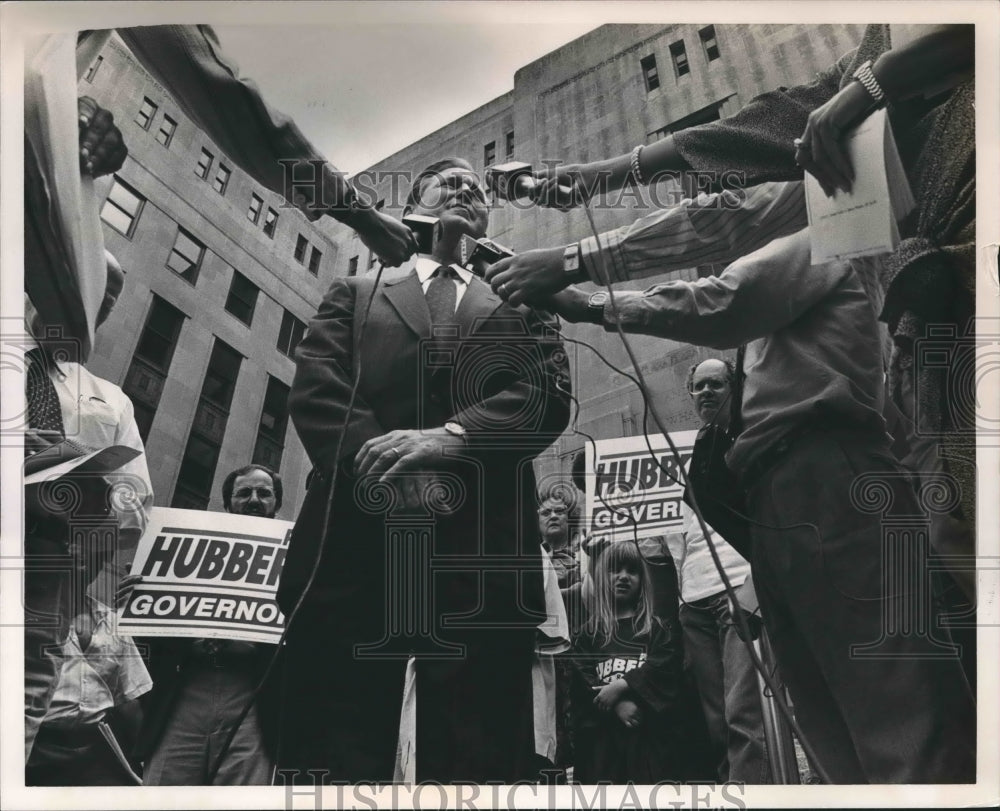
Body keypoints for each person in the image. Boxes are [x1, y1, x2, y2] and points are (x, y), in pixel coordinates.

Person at [497, 225, 976, 783]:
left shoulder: (827, 231)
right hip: (784, 502)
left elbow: (723, 298)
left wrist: (587, 298)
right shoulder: (768, 356)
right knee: (829, 717)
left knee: (890, 707)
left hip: (826, 479)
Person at [277, 156, 571, 784]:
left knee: (479, 750)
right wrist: (392, 469)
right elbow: (317, 391)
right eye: (448, 182)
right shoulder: (357, 292)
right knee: (341, 743)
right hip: (360, 539)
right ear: (413, 203)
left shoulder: (523, 296)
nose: (466, 188)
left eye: (475, 187)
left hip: (483, 547)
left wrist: (453, 437)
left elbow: (547, 394)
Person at [23, 251, 153, 761]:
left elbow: (133, 503)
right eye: (88, 289)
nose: (95, 308)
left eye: (107, 301)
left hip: (52, 578)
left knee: (22, 708)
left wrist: (86, 589)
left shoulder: (112, 400)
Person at [137, 464, 283, 785]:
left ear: (276, 504)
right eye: (244, 493)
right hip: (185, 688)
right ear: (228, 503)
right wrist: (134, 601)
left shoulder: (292, 557)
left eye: (264, 493)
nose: (254, 499)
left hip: (251, 695)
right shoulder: (184, 546)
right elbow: (147, 640)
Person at [676, 359, 769, 784]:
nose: (707, 392)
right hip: (694, 601)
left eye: (716, 384)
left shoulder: (746, 438)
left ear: (735, 388)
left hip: (737, 587)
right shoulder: (698, 452)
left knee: (742, 711)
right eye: (699, 386)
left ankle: (751, 789)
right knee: (716, 718)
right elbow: (676, 542)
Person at [569, 542, 686, 784]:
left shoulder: (656, 630)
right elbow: (581, 679)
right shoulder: (588, 634)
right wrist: (616, 706)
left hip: (649, 746)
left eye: (632, 570)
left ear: (643, 580)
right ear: (601, 578)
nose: (623, 577)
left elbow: (665, 668)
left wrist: (624, 685)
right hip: (603, 750)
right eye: (615, 570)